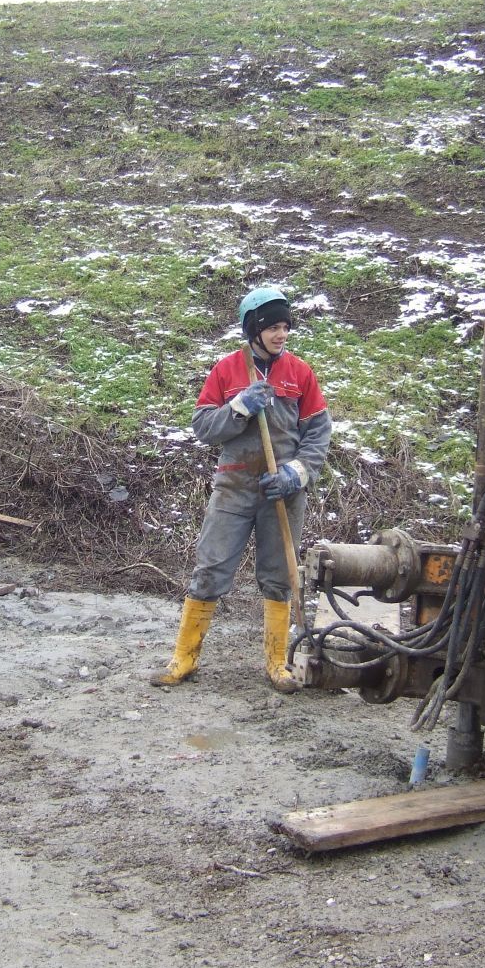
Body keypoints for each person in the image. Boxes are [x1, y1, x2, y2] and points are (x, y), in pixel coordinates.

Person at [150, 285, 332, 691]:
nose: (281, 334)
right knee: (211, 568)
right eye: (272, 328)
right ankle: (184, 659)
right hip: (233, 486)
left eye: (285, 327)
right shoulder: (228, 370)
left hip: (282, 491)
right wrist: (238, 408)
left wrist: (298, 473)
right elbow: (202, 428)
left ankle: (276, 663)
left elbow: (318, 433)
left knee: (278, 575)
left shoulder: (300, 373)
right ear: (253, 329)